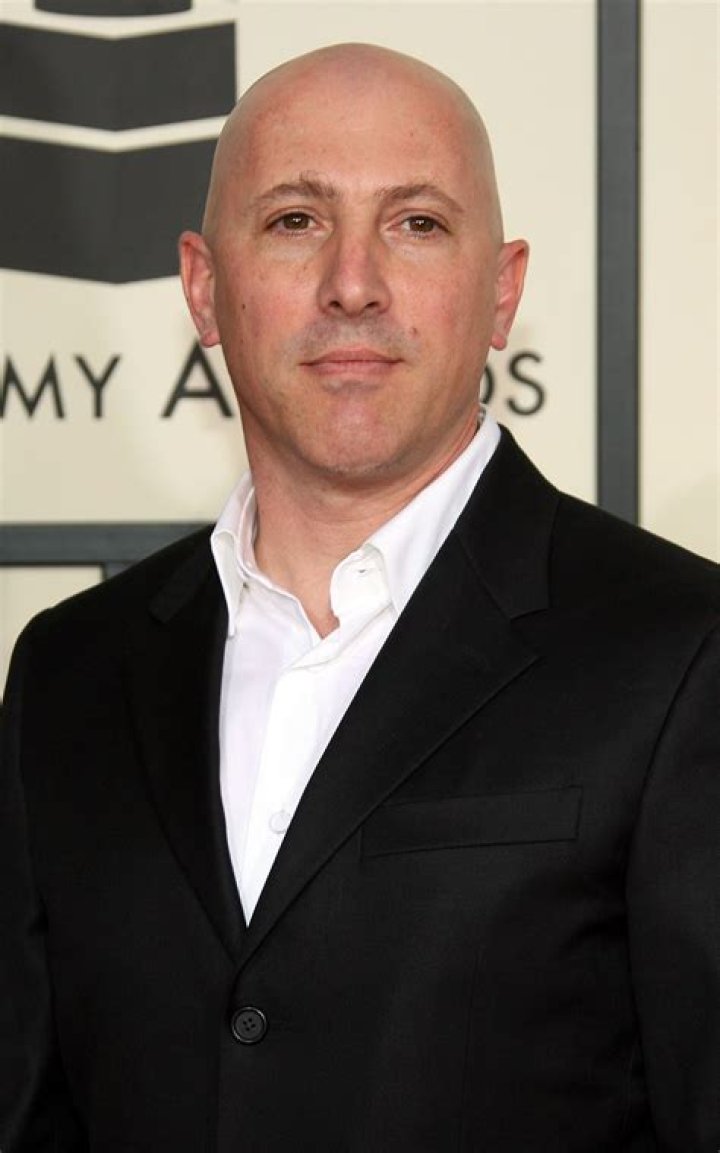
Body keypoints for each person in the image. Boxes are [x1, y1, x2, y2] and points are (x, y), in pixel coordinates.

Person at [1, 42, 718, 1153]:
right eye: (295, 220)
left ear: (503, 291)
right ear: (203, 286)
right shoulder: (68, 671)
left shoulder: (682, 654)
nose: (352, 282)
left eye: (416, 223)